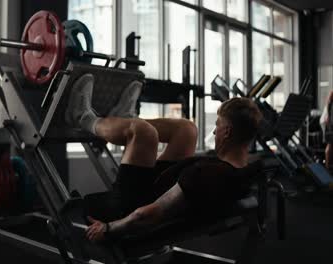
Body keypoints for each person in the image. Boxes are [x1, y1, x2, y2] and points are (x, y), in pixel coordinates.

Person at [64, 73, 263, 242]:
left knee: (143, 133)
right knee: (187, 129)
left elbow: (148, 214)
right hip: (155, 188)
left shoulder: (206, 175)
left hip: (126, 209)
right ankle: (125, 118)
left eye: (217, 126)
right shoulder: (242, 169)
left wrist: (108, 228)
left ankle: (82, 117)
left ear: (227, 132)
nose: (214, 132)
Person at [320, 90, 333, 169]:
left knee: (331, 144)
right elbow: (329, 118)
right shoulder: (330, 104)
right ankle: (327, 166)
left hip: (328, 122)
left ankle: (329, 164)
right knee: (330, 143)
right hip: (328, 123)